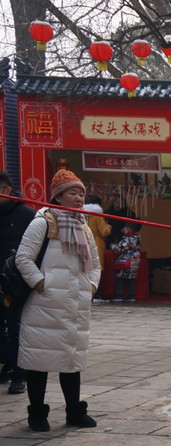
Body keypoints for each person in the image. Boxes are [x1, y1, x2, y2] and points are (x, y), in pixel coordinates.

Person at [14, 169, 101, 431]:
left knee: (71, 361)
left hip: (75, 305)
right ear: (58, 196)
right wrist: (42, 284)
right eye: (73, 193)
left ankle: (74, 411)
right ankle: (37, 414)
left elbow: (95, 264)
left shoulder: (84, 226)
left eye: (81, 193)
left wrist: (91, 286)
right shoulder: (43, 222)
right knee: (38, 361)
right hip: (44, 304)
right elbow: (23, 258)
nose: (78, 198)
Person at [0, 172, 38, 395]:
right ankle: (6, 365)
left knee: (16, 329)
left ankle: (19, 373)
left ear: (6, 190)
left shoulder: (27, 215)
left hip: (15, 282)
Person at [111, 221, 141, 302]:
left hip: (125, 261)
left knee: (120, 278)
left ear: (127, 229)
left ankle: (119, 295)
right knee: (131, 279)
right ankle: (131, 296)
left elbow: (119, 248)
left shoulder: (127, 238)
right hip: (135, 261)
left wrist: (112, 245)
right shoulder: (137, 238)